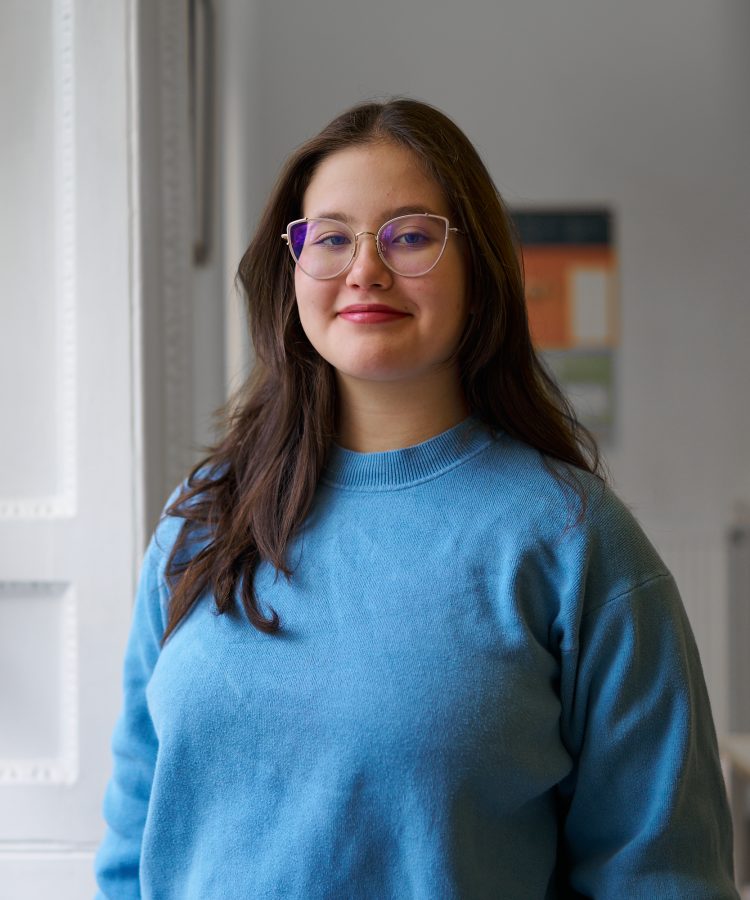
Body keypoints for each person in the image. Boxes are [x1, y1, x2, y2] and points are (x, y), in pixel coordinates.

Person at [94, 98, 738, 899]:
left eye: (410, 236)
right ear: (291, 272)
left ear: (478, 271)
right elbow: (134, 830)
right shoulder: (205, 516)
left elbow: (660, 873)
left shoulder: (573, 540)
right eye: (330, 238)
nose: (366, 268)